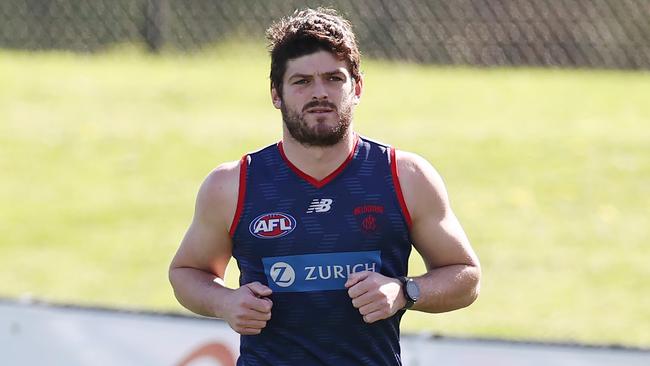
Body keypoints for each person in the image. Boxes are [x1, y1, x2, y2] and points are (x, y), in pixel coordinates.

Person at [169, 7, 481, 366]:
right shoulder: (233, 184)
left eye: (334, 78)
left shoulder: (405, 175)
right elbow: (186, 273)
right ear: (276, 93)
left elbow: (466, 276)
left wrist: (404, 291)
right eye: (301, 82)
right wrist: (224, 302)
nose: (320, 93)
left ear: (357, 87)